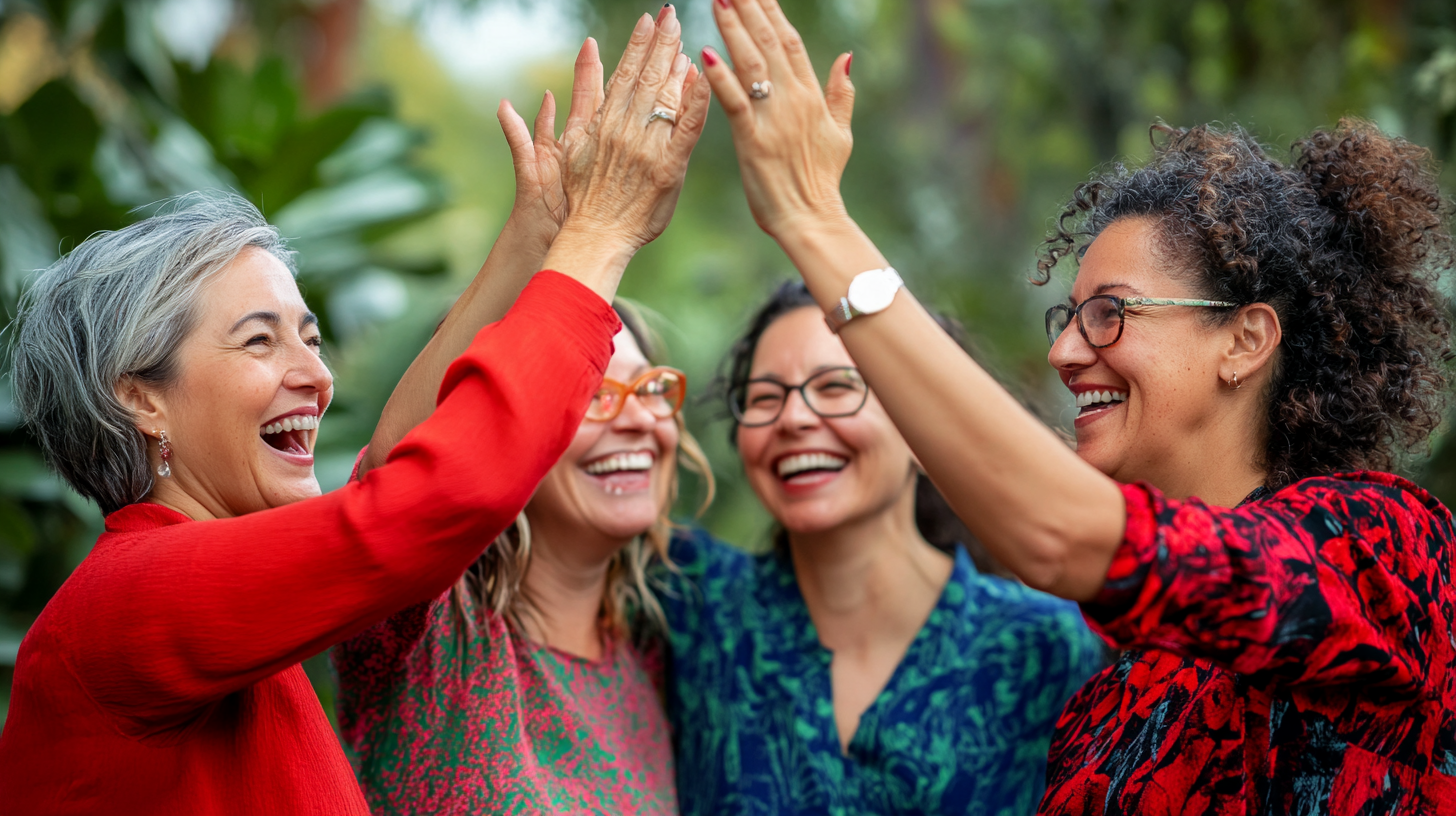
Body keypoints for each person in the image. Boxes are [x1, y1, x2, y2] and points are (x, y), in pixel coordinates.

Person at [696, 0, 1455, 812]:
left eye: (1110, 314)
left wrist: (818, 224)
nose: (1062, 353)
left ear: (1245, 340)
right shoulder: (1110, 677)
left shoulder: (1383, 546)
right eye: (1069, 317)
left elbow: (1060, 533)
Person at [0, 5, 707, 811]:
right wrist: (603, 236)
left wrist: (537, 239)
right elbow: (419, 506)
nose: (317, 375)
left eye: (311, 337)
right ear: (140, 397)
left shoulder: (219, 614)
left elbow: (395, 479)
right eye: (261, 342)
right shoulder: (126, 602)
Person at [331, 8, 714, 814]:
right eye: (591, 397)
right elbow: (396, 481)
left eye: (651, 392)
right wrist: (536, 238)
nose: (637, 419)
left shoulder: (653, 660)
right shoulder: (432, 629)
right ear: (518, 429)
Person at [662, 280, 1104, 814]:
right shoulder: (692, 602)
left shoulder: (1047, 645)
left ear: (925, 432)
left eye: (836, 387)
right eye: (764, 398)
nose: (794, 418)